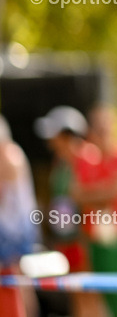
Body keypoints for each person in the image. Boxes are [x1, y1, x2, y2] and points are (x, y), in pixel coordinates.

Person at [71, 106, 117, 317]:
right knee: (102, 288)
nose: (102, 133)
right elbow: (76, 193)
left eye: (106, 127)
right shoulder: (87, 158)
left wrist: (93, 194)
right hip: (93, 233)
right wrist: (103, 192)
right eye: (98, 128)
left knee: (114, 286)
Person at [35, 106, 95, 317]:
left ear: (67, 133)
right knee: (74, 293)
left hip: (84, 240)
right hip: (66, 238)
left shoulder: (87, 158)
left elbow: (91, 201)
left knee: (89, 293)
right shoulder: (60, 162)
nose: (50, 140)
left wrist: (86, 240)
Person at [0, 116, 38, 317]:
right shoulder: (11, 154)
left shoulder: (10, 156)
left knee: (19, 282)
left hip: (16, 230)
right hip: (14, 228)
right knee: (19, 282)